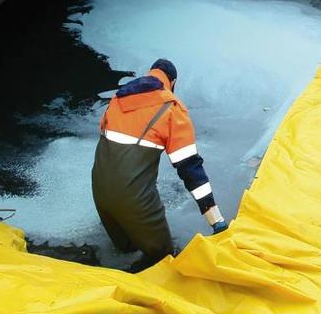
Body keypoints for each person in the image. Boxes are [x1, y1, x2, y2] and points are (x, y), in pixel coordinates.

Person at [91, 58, 226, 271]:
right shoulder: (171, 109)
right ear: (172, 82)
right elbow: (190, 168)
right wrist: (215, 219)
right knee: (164, 262)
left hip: (99, 193)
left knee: (123, 253)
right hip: (133, 200)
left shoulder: (118, 98)